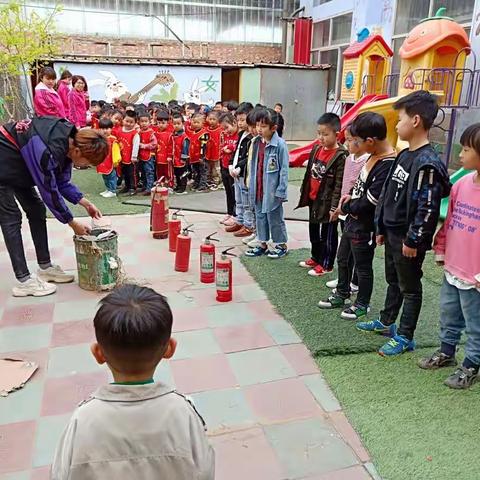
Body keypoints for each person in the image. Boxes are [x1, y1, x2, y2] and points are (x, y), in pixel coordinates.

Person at [51, 284, 215, 479]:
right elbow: (205, 471)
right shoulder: (184, 413)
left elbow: (59, 474)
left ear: (98, 353)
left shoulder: (83, 420)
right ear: (169, 349)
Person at [359, 90, 451, 356]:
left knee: (410, 287)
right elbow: (389, 193)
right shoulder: (404, 154)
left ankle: (406, 335)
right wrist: (381, 228)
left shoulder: (428, 163)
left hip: (408, 238)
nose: (396, 125)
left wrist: (414, 239)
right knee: (393, 279)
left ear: (416, 121)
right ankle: (387, 322)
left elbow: (428, 208)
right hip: (391, 233)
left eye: (399, 119)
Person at [0, 117, 107, 297]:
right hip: (4, 157)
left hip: (19, 161)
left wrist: (84, 202)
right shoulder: (47, 151)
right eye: (87, 163)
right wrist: (73, 223)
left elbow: (61, 181)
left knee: (36, 209)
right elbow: (49, 191)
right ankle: (25, 281)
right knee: (11, 218)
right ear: (78, 152)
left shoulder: (69, 141)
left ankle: (45, 267)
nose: (86, 166)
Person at [418, 124, 480, 389]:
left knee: (475, 325)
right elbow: (450, 219)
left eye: (467, 149)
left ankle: (471, 366)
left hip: (475, 277)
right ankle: (446, 352)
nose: (461, 154)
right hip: (454, 267)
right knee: (448, 313)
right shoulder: (462, 183)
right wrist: (441, 249)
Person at [318, 113, 395, 320]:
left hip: (365, 224)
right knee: (343, 258)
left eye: (356, 141)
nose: (355, 145)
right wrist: (348, 200)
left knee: (362, 266)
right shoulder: (373, 155)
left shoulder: (387, 164)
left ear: (370, 141)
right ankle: (342, 292)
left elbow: (370, 201)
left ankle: (362, 303)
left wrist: (347, 206)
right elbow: (359, 190)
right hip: (353, 219)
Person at [296, 113, 347, 276]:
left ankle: (327, 264)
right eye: (319, 133)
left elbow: (339, 184)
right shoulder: (316, 148)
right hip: (314, 199)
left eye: (325, 134)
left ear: (337, 134)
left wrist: (334, 207)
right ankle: (316, 257)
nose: (321, 137)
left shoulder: (341, 155)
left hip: (328, 203)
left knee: (328, 234)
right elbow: (309, 173)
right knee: (313, 230)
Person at [326, 124, 370, 292]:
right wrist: (339, 207)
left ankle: (355, 282)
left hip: (357, 211)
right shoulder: (348, 158)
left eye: (350, 140)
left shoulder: (366, 160)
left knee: (356, 251)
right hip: (345, 210)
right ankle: (345, 279)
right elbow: (344, 186)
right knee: (345, 250)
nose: (347, 143)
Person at [245, 108, 289, 259]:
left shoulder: (280, 145)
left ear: (273, 128)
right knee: (260, 216)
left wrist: (281, 191)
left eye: (263, 126)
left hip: (272, 191)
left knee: (275, 218)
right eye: (258, 125)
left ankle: (280, 244)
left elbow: (284, 170)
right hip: (258, 188)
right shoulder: (256, 142)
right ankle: (262, 243)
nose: (259, 129)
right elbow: (253, 165)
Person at [227, 102, 254, 237]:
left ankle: (248, 225)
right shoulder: (241, 134)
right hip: (236, 173)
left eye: (243, 120)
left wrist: (238, 167)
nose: (240, 123)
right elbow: (236, 152)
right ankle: (240, 220)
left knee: (246, 201)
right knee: (238, 199)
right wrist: (231, 164)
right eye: (238, 120)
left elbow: (249, 157)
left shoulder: (252, 137)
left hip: (244, 173)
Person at [219, 112, 239, 226]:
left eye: (227, 128)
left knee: (234, 192)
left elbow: (237, 148)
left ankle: (236, 215)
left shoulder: (238, 135)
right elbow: (220, 146)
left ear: (234, 123)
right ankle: (229, 212)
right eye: (223, 129)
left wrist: (230, 147)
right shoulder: (224, 135)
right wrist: (223, 149)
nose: (226, 131)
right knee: (228, 192)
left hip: (233, 168)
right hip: (224, 165)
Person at [116, 111, 140, 195]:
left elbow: (136, 145)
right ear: (123, 120)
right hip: (122, 157)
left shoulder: (134, 134)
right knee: (124, 173)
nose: (128, 124)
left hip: (131, 158)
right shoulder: (119, 130)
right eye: (127, 121)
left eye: (131, 122)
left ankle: (133, 188)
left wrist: (134, 156)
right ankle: (126, 186)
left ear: (135, 123)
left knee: (132, 173)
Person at [97, 118, 120, 198]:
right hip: (103, 161)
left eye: (107, 128)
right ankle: (108, 189)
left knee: (111, 176)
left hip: (110, 161)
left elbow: (116, 151)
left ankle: (112, 190)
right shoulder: (99, 139)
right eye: (102, 128)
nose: (104, 130)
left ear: (111, 129)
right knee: (105, 176)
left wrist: (116, 161)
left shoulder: (113, 139)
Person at [188, 112, 209, 192]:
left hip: (201, 157)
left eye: (198, 122)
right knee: (196, 172)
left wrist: (202, 157)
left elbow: (204, 146)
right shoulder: (193, 133)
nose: (195, 124)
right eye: (194, 122)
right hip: (194, 157)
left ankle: (203, 185)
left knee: (202, 171)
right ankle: (196, 184)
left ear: (202, 123)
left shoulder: (204, 134)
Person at [137, 112, 158, 195]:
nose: (144, 123)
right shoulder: (139, 132)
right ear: (139, 122)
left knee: (149, 172)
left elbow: (154, 144)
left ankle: (150, 188)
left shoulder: (151, 132)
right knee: (143, 172)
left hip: (149, 156)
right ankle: (145, 186)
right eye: (142, 121)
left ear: (150, 122)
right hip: (141, 156)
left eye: (146, 121)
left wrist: (144, 146)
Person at [171, 113, 190, 195]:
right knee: (177, 173)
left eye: (178, 124)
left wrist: (183, 159)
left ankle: (183, 187)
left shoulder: (184, 136)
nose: (176, 126)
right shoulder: (172, 135)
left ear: (183, 123)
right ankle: (178, 185)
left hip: (181, 159)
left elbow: (185, 149)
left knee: (183, 173)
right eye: (174, 124)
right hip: (175, 158)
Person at [153, 109, 173, 185]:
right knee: (159, 171)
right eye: (159, 123)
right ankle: (161, 182)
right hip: (158, 157)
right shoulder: (155, 133)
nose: (160, 125)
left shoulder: (169, 134)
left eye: (163, 123)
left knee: (168, 171)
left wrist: (169, 156)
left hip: (166, 158)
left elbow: (170, 146)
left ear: (168, 123)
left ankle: (170, 184)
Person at [205, 111, 222, 190]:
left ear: (218, 120)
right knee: (208, 167)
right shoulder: (206, 129)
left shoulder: (220, 130)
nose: (211, 121)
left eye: (214, 119)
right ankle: (209, 180)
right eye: (210, 119)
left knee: (216, 168)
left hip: (217, 151)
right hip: (208, 151)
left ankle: (217, 181)